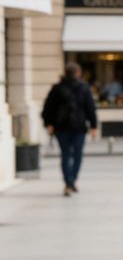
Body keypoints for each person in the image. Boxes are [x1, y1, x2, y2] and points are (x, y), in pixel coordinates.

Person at [41, 62, 98, 196]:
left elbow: (48, 108)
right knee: (77, 155)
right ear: (78, 73)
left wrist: (49, 124)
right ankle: (71, 181)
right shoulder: (83, 88)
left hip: (61, 127)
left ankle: (69, 182)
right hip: (78, 127)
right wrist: (94, 126)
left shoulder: (57, 88)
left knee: (66, 155)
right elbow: (90, 108)